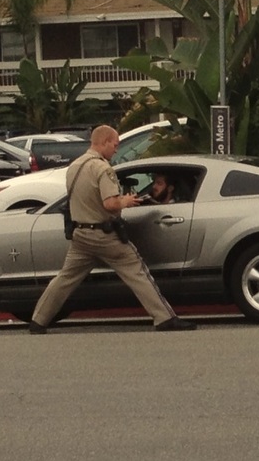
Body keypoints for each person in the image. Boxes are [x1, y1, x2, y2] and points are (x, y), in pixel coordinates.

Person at [29, 125, 196, 334]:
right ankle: (164, 317)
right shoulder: (102, 169)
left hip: (81, 235)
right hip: (104, 234)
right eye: (115, 145)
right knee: (138, 272)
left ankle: (38, 320)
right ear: (104, 142)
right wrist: (125, 200)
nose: (116, 150)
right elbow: (109, 204)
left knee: (64, 279)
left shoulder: (75, 166)